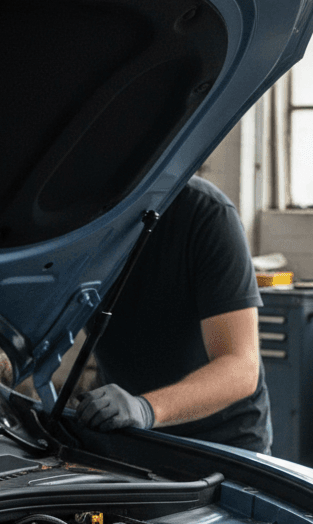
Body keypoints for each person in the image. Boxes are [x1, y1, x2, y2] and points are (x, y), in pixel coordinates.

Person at [75, 176, 271, 453]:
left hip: (223, 445)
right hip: (131, 436)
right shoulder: (74, 222)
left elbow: (240, 367)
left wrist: (146, 408)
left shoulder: (206, 213)